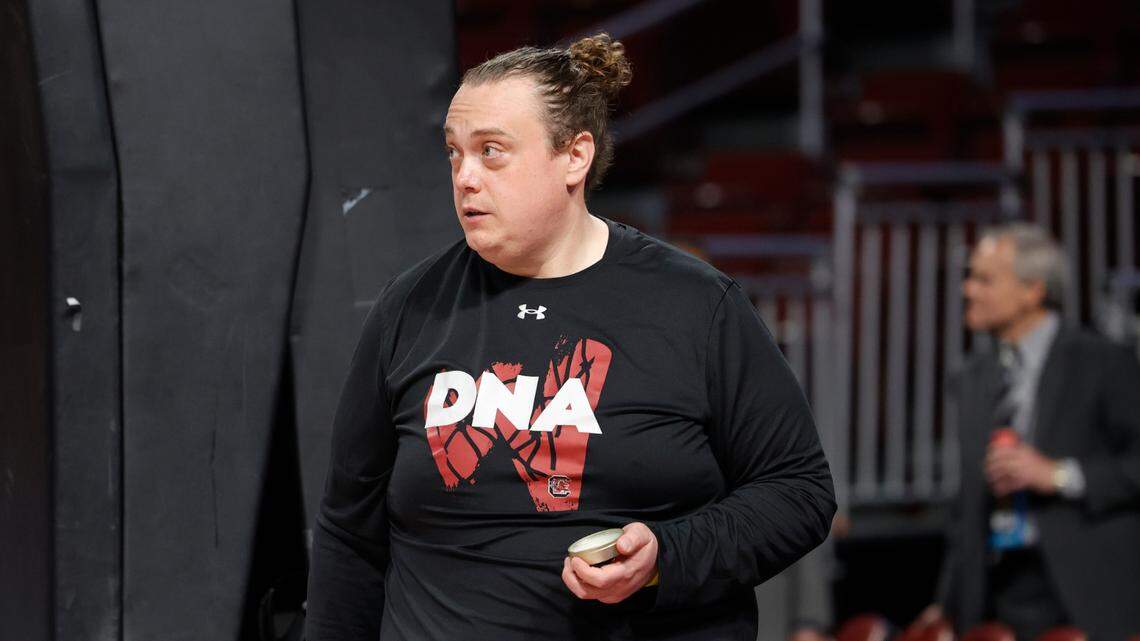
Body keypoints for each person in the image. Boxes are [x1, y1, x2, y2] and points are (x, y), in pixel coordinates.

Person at [303, 33, 836, 641]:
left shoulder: (696, 305)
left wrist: (667, 556)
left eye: (492, 151)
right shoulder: (410, 307)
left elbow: (799, 492)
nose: (465, 177)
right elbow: (349, 532)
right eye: (454, 153)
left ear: (575, 157)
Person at [919, 224, 1140, 641]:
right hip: (997, 592)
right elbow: (967, 505)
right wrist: (947, 603)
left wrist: (1058, 475)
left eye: (985, 279)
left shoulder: (1103, 362)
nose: (968, 290)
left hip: (1087, 591)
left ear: (1033, 291)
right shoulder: (972, 377)